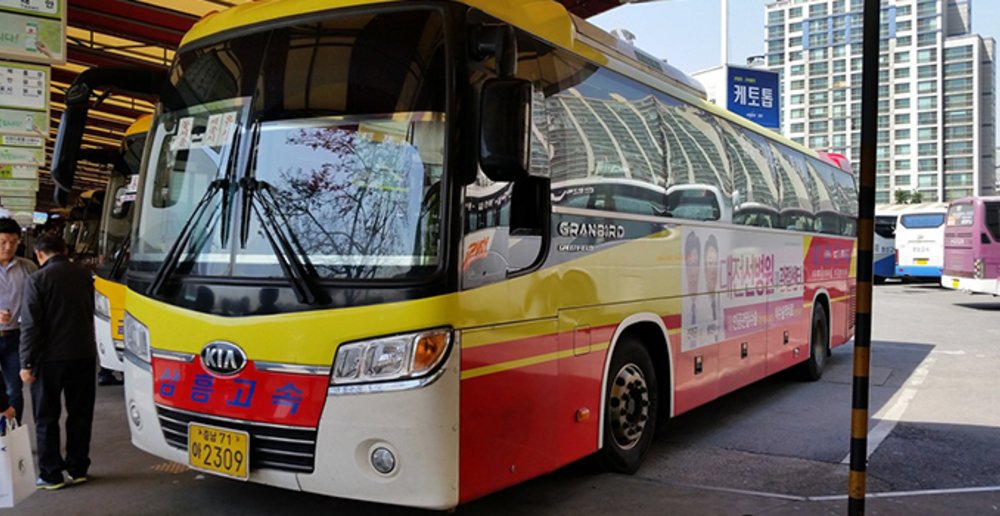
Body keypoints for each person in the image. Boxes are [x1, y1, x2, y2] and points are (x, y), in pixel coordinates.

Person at [19, 234, 97, 490]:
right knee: (80, 414)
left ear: (40, 255)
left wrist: (26, 362)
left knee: (46, 417)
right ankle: (78, 468)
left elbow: (31, 325)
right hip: (83, 355)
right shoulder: (85, 275)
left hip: (49, 359)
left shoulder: (37, 279)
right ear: (64, 250)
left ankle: (51, 474)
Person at [0, 218, 37, 423]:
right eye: (3, 241)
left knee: (14, 387)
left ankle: (15, 433)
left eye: (13, 242)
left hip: (16, 338)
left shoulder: (28, 268)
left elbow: (39, 299)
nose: (8, 247)